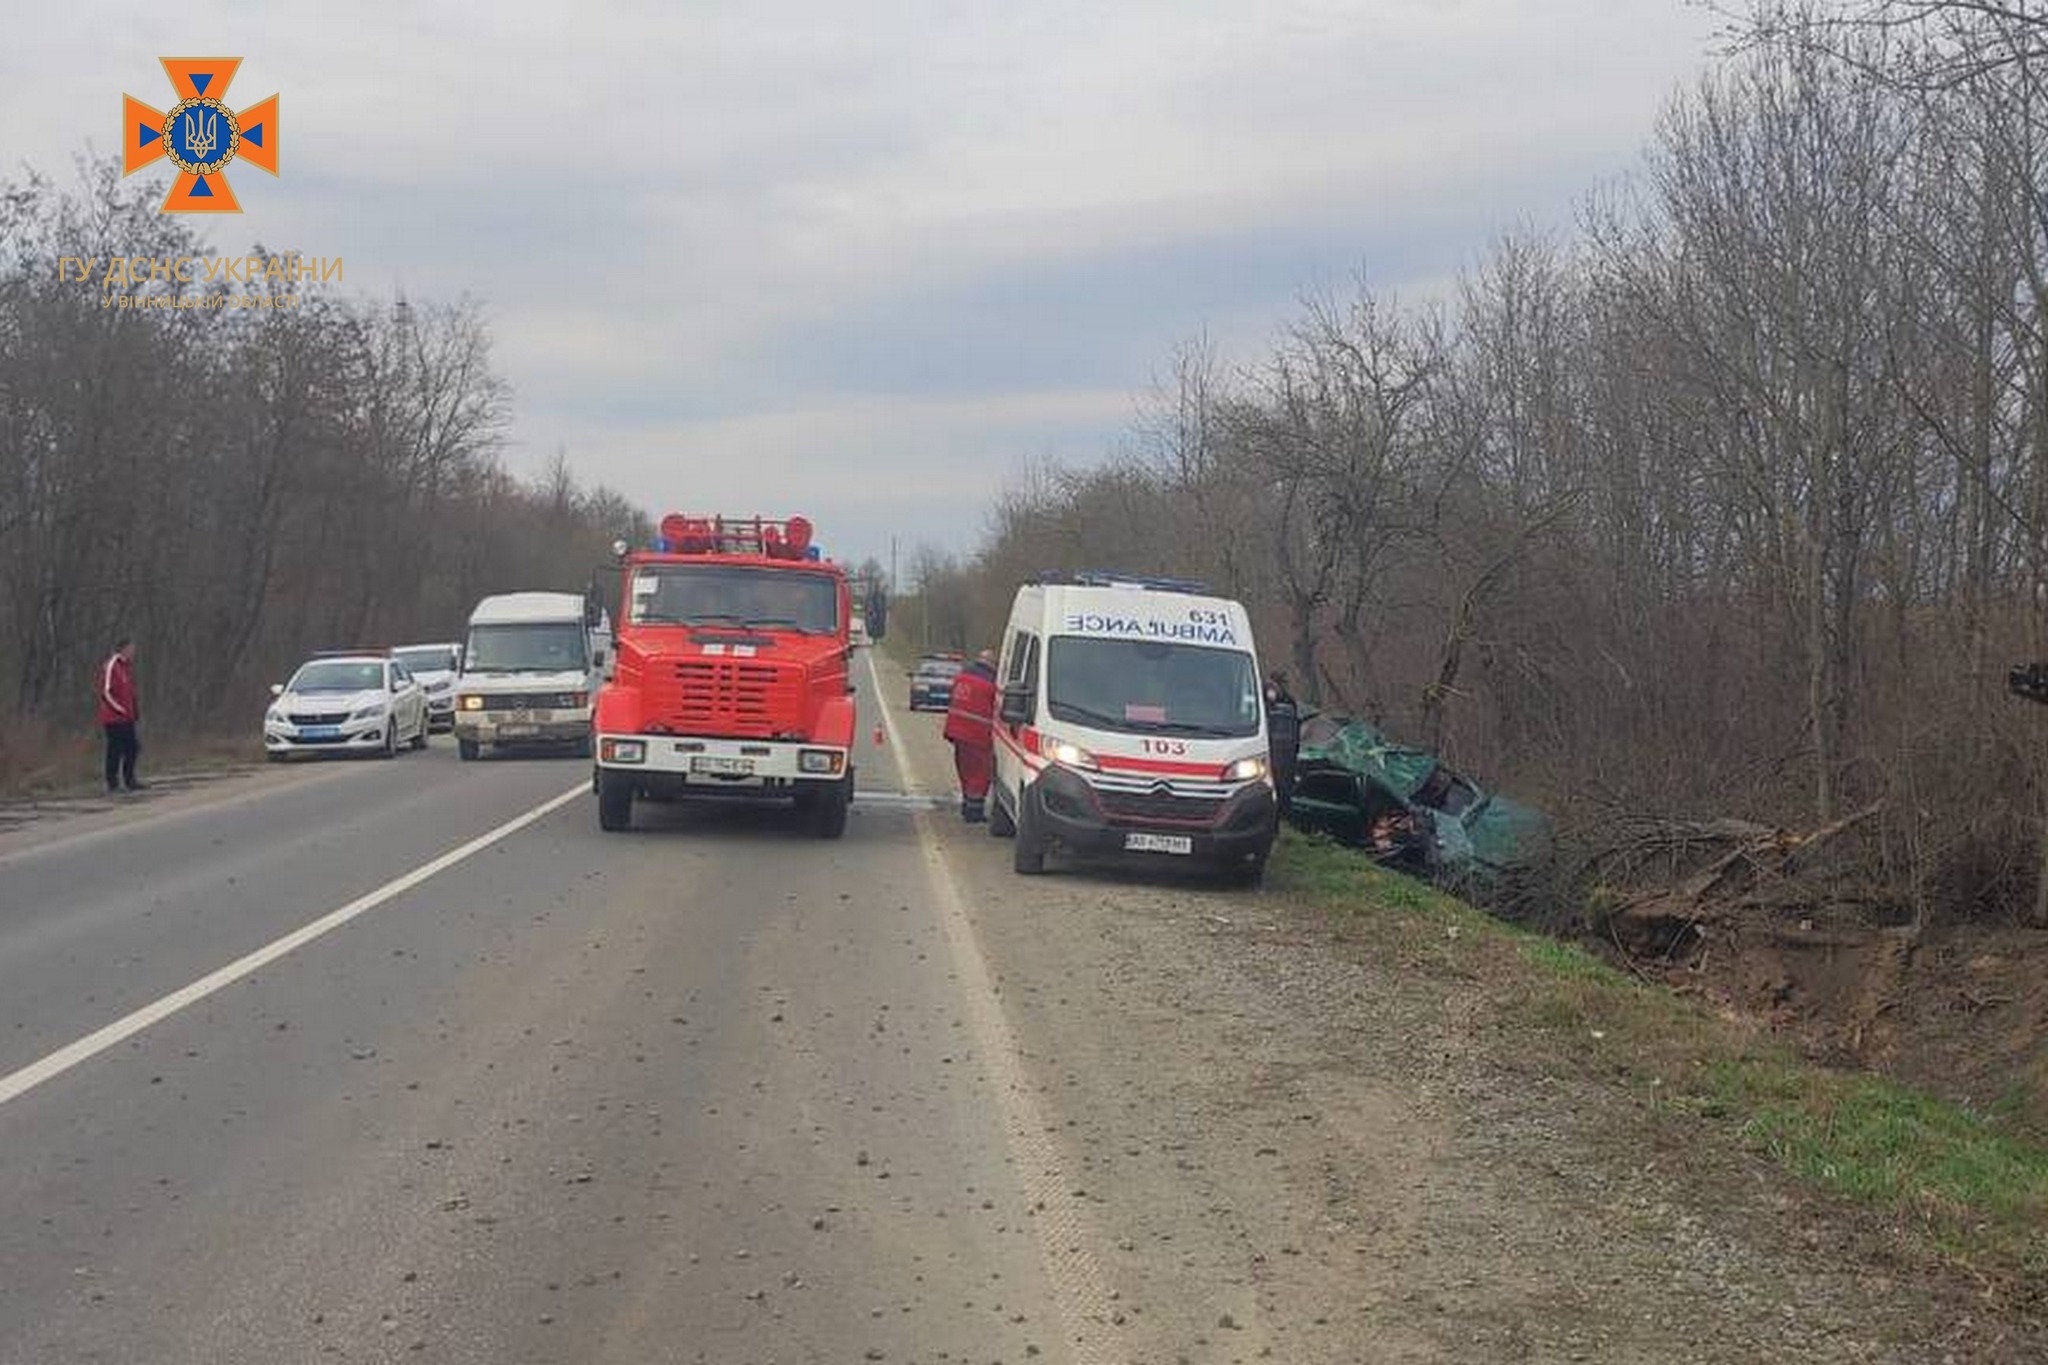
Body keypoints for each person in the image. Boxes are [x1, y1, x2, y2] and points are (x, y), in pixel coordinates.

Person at [944, 649, 999, 823]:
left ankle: (967, 806)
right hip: (978, 734)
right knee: (981, 773)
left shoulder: (962, 676)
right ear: (991, 664)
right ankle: (974, 812)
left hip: (957, 731)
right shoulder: (991, 684)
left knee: (965, 770)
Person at [97, 637, 143, 793]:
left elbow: (130, 692)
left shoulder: (127, 668)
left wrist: (134, 710)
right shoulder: (112, 666)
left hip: (127, 717)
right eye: (131, 649)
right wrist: (120, 709)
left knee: (133, 748)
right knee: (115, 749)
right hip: (113, 718)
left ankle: (130, 779)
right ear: (123, 649)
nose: (133, 652)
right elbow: (106, 692)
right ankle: (112, 782)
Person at [1263, 670, 1299, 816]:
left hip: (1282, 750)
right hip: (1276, 748)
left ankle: (1280, 814)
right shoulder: (1264, 694)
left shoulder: (1288, 702)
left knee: (1282, 785)